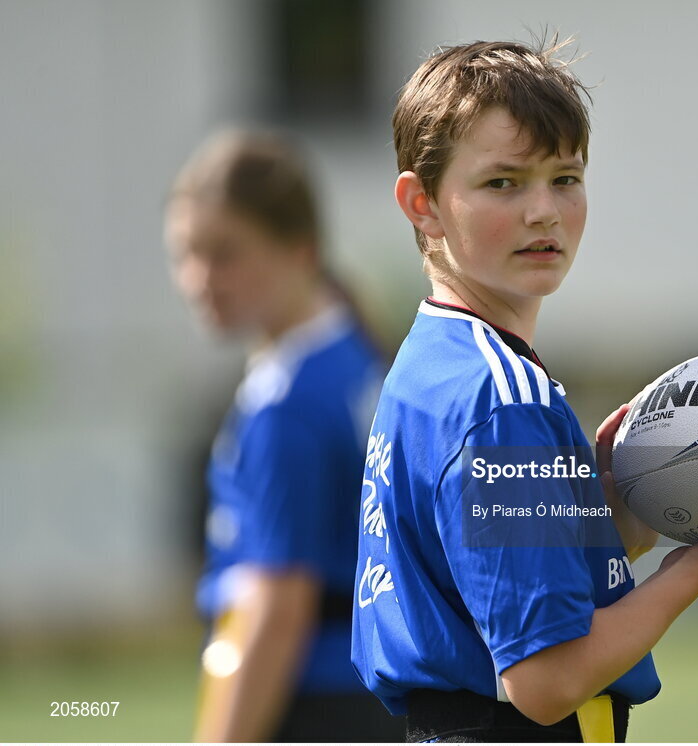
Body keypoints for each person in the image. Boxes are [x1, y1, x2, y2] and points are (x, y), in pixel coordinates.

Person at [351, 38, 698, 743]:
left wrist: (610, 524)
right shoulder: (502, 399)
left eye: (565, 177)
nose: (544, 211)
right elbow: (544, 680)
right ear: (424, 205)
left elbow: (480, 589)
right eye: (503, 183)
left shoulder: (432, 362)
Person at [164, 130, 404, 742]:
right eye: (185, 254)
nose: (198, 278)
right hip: (374, 698)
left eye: (224, 253)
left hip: (310, 705)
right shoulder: (356, 357)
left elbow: (277, 609)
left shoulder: (285, 404)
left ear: (300, 250)